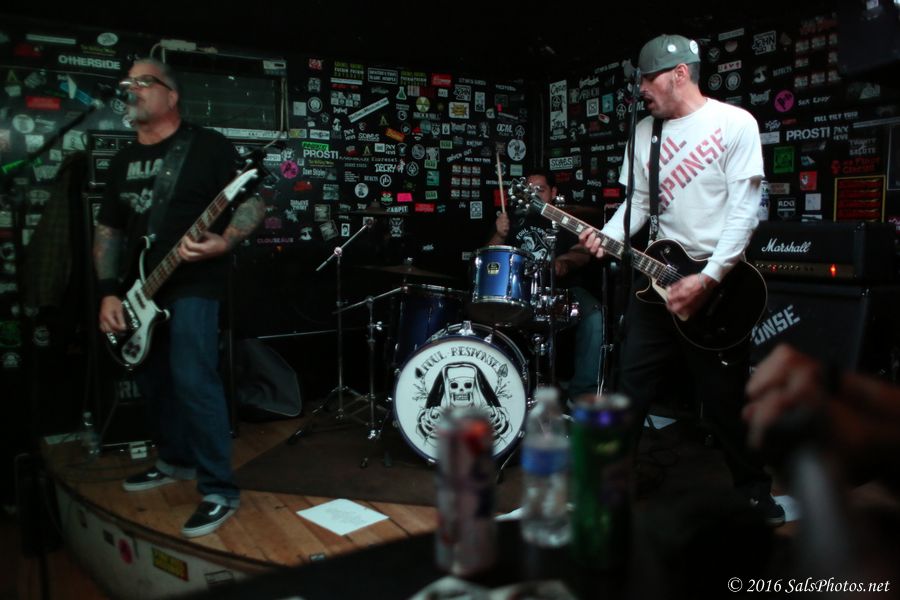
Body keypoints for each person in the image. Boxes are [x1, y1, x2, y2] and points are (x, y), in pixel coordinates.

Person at [578, 34, 784, 525]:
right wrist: (606, 236)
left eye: (649, 78)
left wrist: (708, 279)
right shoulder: (645, 132)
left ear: (679, 74)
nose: (642, 89)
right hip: (660, 280)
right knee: (630, 386)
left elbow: (745, 211)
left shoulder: (734, 123)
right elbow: (639, 203)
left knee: (725, 398)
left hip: (719, 284)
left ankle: (754, 491)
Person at [94, 58, 265, 538]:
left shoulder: (207, 146)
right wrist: (108, 293)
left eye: (143, 81)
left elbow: (252, 199)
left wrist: (224, 241)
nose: (131, 88)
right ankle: (175, 460)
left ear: (171, 96)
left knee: (193, 377)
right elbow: (109, 230)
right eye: (128, 82)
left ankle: (219, 489)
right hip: (141, 288)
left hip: (194, 282)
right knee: (155, 381)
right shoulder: (123, 161)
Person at [488, 170, 605, 401]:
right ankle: (506, 390)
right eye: (529, 190)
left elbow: (582, 252)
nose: (533, 195)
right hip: (521, 291)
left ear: (553, 192)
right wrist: (499, 235)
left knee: (595, 315)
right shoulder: (510, 220)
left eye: (540, 190)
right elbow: (489, 259)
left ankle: (582, 393)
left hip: (565, 289)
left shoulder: (566, 219)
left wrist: (563, 262)